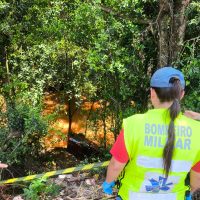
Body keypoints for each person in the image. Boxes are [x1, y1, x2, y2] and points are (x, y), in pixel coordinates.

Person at [102, 67, 200, 200]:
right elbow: (197, 177)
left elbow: (116, 165)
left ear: (152, 93)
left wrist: (108, 183)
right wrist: (192, 194)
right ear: (181, 94)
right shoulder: (197, 131)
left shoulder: (134, 124)